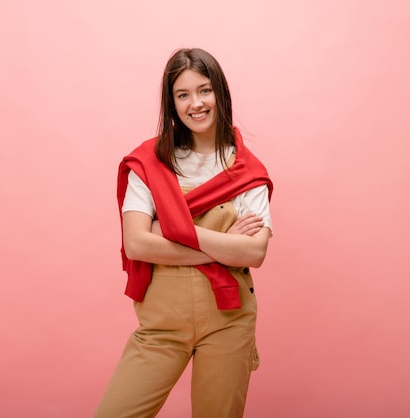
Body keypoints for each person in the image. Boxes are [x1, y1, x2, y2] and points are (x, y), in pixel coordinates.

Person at [94, 48, 274, 418]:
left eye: (204, 90)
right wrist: (225, 248)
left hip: (229, 320)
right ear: (171, 103)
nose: (196, 103)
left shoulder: (246, 169)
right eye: (183, 94)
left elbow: (254, 253)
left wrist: (174, 231)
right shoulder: (149, 162)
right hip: (163, 321)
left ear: (220, 94)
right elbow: (138, 243)